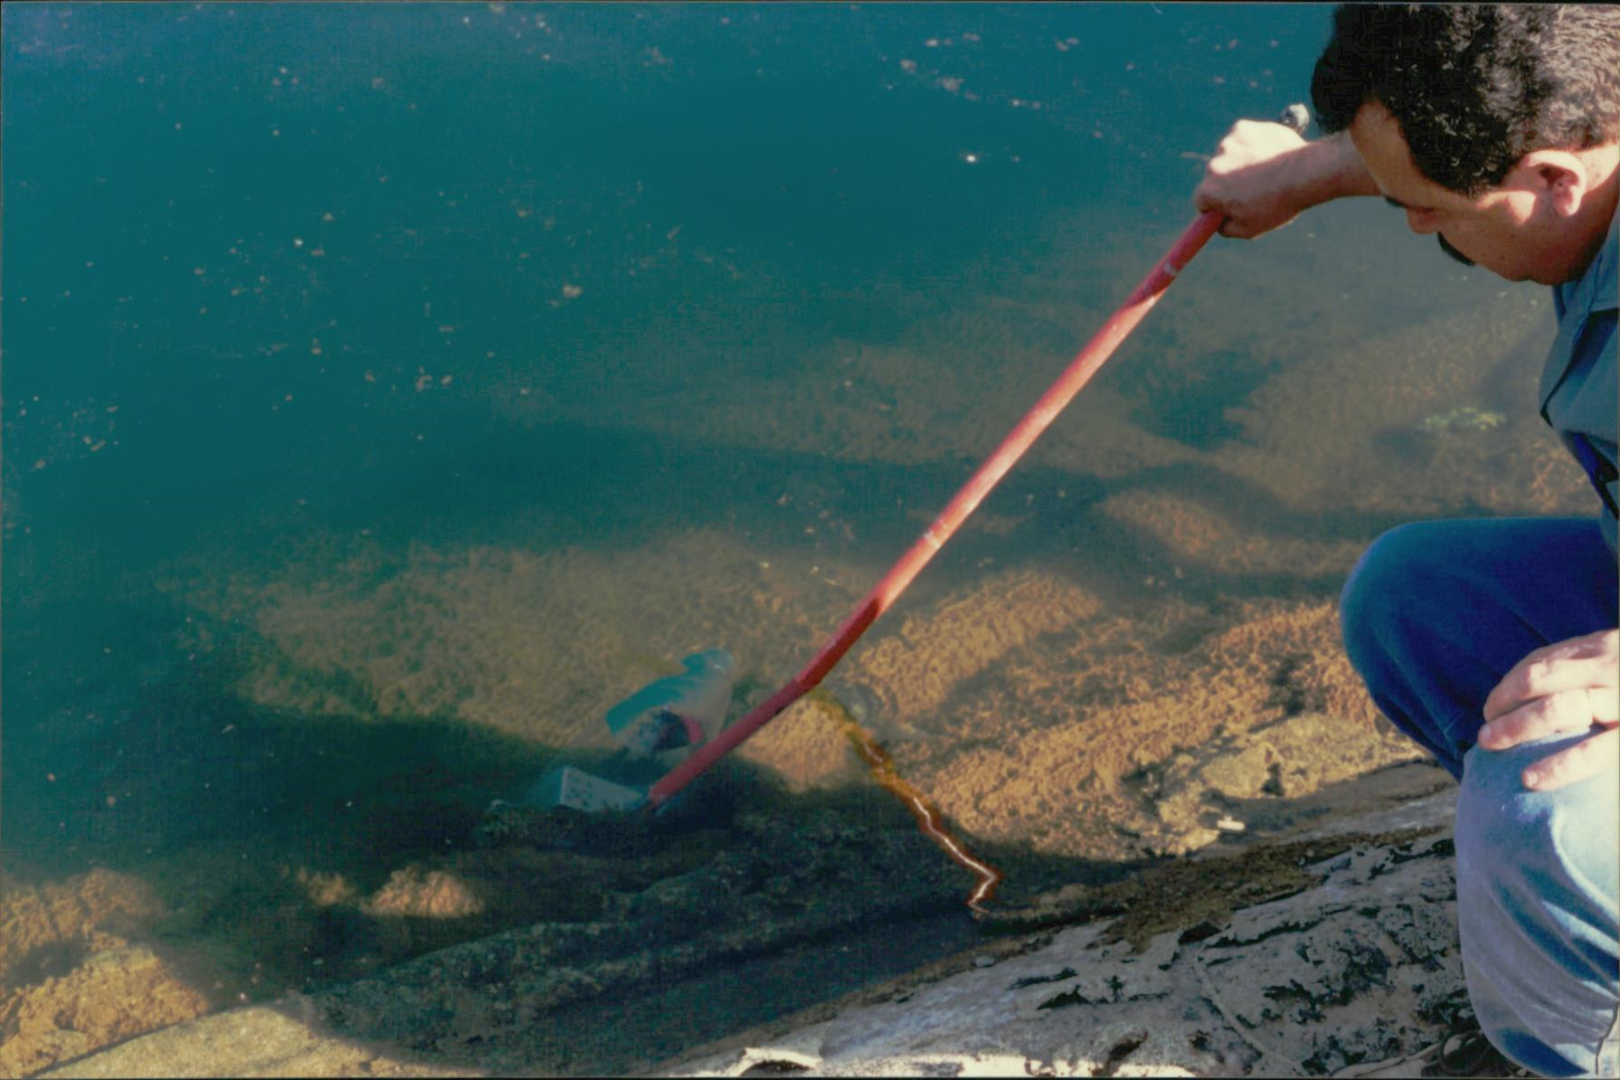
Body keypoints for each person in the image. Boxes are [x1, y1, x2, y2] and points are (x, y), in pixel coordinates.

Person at [1192, 6, 1617, 1077]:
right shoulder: (1587, 127)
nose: (1418, 228)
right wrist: (1312, 171)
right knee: (1415, 598)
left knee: (1542, 818)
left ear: (1555, 180)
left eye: (1428, 206)